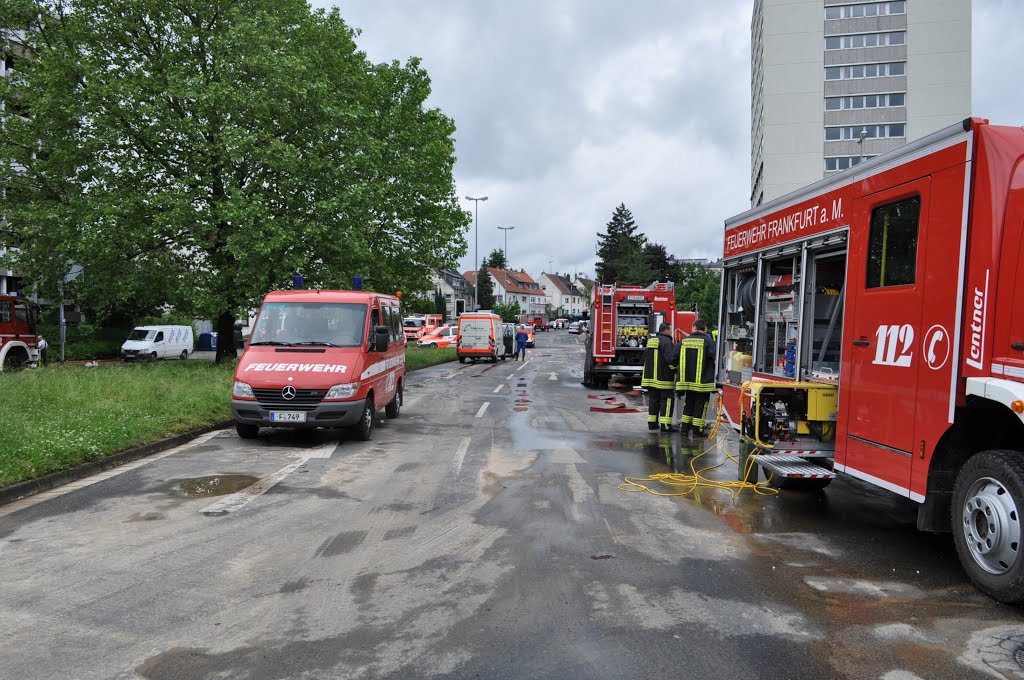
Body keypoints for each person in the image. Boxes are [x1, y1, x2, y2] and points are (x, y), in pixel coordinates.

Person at [676, 319, 716, 436]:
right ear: (704, 328)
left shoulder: (684, 342)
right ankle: (697, 430)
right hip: (703, 382)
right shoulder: (708, 341)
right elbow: (715, 356)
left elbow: (672, 357)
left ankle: (684, 429)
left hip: (686, 381)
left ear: (694, 327)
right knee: (700, 404)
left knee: (688, 403)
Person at [641, 322, 678, 432]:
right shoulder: (667, 342)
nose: (670, 332)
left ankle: (652, 424)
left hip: (651, 379)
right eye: (670, 330)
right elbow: (670, 360)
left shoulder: (651, 340)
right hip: (664, 379)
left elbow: (645, 358)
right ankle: (666, 426)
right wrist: (676, 369)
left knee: (653, 400)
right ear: (666, 330)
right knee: (666, 401)